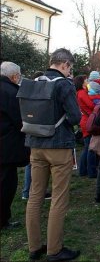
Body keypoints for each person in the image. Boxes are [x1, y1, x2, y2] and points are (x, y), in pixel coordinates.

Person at [24, 48, 82, 261]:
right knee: (59, 198)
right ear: (65, 64)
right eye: (70, 68)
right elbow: (75, 117)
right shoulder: (63, 84)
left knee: (35, 196)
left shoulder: (35, 80)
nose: (70, 72)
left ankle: (34, 247)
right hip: (58, 146)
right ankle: (54, 250)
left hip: (35, 144)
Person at [0, 62, 29, 229]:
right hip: (6, 146)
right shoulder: (11, 92)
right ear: (14, 76)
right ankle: (3, 219)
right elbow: (19, 120)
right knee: (6, 183)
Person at [22, 71, 52, 201]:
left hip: (29, 131)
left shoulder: (27, 93)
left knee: (32, 164)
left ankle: (27, 191)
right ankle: (30, 191)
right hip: (38, 132)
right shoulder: (41, 94)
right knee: (33, 165)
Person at [77, 72, 100, 178]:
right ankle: (91, 171)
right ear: (82, 82)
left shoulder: (83, 92)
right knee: (90, 148)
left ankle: (83, 171)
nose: (88, 82)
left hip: (87, 120)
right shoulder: (82, 93)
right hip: (88, 121)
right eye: (86, 80)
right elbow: (90, 104)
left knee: (87, 147)